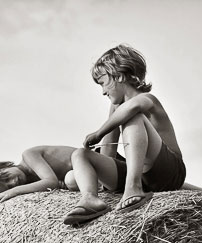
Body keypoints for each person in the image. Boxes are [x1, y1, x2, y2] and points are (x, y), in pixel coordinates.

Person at [64, 44, 188, 225]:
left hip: (169, 171)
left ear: (119, 76)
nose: (103, 92)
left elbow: (133, 107)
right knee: (79, 155)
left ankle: (133, 187)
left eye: (103, 83)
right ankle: (90, 199)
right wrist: (100, 174)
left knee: (133, 117)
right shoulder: (117, 108)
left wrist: (99, 133)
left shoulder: (147, 99)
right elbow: (108, 153)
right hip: (143, 175)